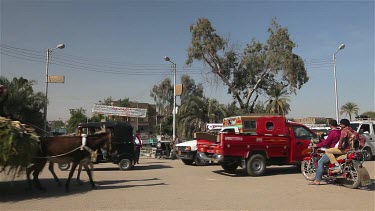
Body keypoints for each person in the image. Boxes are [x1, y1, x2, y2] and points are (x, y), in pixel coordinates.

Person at [308, 119, 341, 185]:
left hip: (333, 149)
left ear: (330, 125)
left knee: (320, 162)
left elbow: (326, 143)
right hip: (340, 149)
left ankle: (317, 180)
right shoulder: (340, 131)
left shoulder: (332, 132)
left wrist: (317, 145)